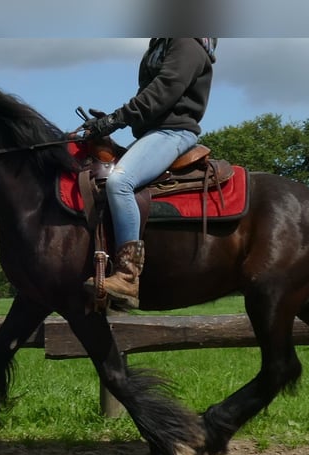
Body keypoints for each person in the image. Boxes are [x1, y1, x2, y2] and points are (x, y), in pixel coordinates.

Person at [81, 37, 217, 309]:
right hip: (151, 134)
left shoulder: (186, 42)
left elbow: (163, 91)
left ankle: (128, 277)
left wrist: (115, 120)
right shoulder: (163, 43)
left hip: (173, 133)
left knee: (120, 182)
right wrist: (111, 121)